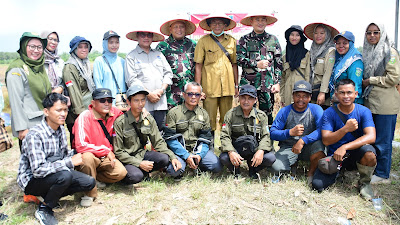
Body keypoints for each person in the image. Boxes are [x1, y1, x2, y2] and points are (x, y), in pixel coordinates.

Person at [17, 93, 95, 225]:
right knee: (65, 176)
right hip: (33, 180)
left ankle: (47, 195)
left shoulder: (60, 129)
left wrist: (79, 152)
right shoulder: (35, 135)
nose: (63, 114)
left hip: (54, 173)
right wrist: (70, 162)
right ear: (46, 111)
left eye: (65, 110)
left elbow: (63, 156)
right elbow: (38, 170)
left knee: (88, 182)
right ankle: (45, 209)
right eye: (59, 110)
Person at [6, 32, 53, 204]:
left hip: (42, 121)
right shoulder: (16, 69)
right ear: (24, 47)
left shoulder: (38, 67)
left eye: (39, 47)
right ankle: (29, 192)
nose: (36, 50)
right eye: (31, 46)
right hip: (28, 124)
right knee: (30, 161)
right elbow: (16, 101)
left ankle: (43, 188)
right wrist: (21, 128)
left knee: (42, 159)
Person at [312, 79, 377, 200]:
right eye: (342, 93)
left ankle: (364, 182)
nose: (346, 96)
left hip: (356, 153)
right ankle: (338, 172)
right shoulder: (329, 113)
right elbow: (326, 140)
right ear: (336, 94)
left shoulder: (364, 111)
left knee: (369, 153)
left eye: (349, 92)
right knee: (317, 186)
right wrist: (345, 129)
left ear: (356, 94)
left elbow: (371, 136)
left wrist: (345, 147)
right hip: (336, 156)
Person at [113, 84, 182, 184]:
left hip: (141, 154)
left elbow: (158, 142)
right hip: (127, 159)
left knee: (164, 159)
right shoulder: (120, 122)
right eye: (136, 100)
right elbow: (118, 152)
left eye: (143, 100)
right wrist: (139, 163)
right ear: (128, 102)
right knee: (136, 176)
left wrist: (173, 157)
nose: (140, 104)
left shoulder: (148, 119)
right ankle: (133, 173)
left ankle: (142, 170)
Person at [72, 88, 127, 207]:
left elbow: (127, 112)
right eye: (102, 100)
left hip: (105, 159)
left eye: (109, 100)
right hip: (91, 156)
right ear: (93, 103)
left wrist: (142, 110)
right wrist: (106, 150)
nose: (106, 103)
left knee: (121, 173)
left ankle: (96, 178)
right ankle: (89, 193)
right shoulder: (84, 117)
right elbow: (81, 145)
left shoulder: (114, 112)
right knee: (86, 158)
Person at [362, 23, 400, 184]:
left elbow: (394, 78)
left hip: (385, 104)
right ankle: (373, 169)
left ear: (382, 34)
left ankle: (383, 174)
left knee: (383, 141)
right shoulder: (367, 53)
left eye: (376, 32)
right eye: (369, 33)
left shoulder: (389, 52)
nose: (372, 36)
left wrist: (371, 80)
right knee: (371, 138)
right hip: (370, 103)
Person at [270, 80, 325, 184]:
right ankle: (292, 165)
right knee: (276, 167)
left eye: (305, 96)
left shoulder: (316, 109)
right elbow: (273, 133)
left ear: (310, 97)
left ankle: (311, 173)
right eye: (298, 95)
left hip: (309, 146)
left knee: (319, 148)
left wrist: (303, 140)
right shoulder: (285, 111)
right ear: (293, 96)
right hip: (289, 147)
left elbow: (322, 130)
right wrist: (289, 132)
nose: (301, 99)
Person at [164, 82, 222, 176]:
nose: (193, 97)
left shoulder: (204, 114)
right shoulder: (173, 113)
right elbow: (170, 139)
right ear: (183, 95)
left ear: (200, 96)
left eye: (197, 94)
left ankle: (198, 164)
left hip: (197, 150)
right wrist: (186, 156)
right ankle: (185, 163)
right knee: (174, 171)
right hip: (180, 151)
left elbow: (206, 139)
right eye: (190, 94)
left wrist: (199, 155)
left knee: (216, 166)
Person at [219, 84, 276, 178]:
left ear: (255, 100)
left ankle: (254, 169)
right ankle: (235, 169)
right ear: (239, 98)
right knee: (224, 158)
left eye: (250, 98)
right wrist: (231, 152)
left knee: (270, 158)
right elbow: (225, 135)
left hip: (254, 149)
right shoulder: (230, 115)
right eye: (243, 98)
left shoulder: (261, 116)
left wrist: (261, 151)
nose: (246, 101)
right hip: (237, 149)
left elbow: (266, 136)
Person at [194, 13, 238, 133]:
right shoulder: (203, 41)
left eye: (220, 22)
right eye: (214, 22)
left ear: (225, 24)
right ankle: (209, 146)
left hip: (228, 87)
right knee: (209, 119)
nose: (217, 25)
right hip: (209, 87)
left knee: (227, 118)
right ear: (209, 25)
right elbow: (198, 65)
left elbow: (234, 65)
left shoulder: (232, 42)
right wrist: (198, 88)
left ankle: (226, 146)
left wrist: (236, 85)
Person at [237, 13, 282, 124]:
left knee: (267, 116)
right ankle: (247, 140)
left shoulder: (273, 40)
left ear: (266, 22)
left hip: (267, 85)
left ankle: (266, 140)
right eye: (257, 20)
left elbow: (279, 63)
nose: (260, 22)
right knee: (246, 113)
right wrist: (256, 64)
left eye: (263, 20)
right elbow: (239, 59)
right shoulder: (244, 40)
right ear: (251, 22)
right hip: (249, 84)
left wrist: (277, 82)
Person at [125, 29, 172, 130]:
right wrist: (148, 94)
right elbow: (131, 80)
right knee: (145, 132)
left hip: (160, 102)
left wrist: (162, 90)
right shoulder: (131, 56)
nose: (146, 38)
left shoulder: (159, 54)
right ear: (137, 37)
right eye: (143, 35)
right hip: (143, 104)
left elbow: (168, 73)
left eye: (149, 35)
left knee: (160, 132)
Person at [156, 17, 197, 109]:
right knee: (172, 119)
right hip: (171, 92)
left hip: (189, 91)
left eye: (181, 27)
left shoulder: (193, 44)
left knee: (190, 118)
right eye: (175, 27)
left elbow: (199, 67)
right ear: (170, 29)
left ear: (185, 28)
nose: (179, 29)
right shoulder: (162, 46)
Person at [63, 36, 95, 143]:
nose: (84, 49)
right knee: (79, 142)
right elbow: (74, 92)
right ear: (74, 49)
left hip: (88, 109)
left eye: (86, 47)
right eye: (80, 47)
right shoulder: (70, 67)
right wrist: (81, 115)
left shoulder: (85, 64)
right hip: (78, 114)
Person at [304, 22, 338, 108]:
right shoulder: (312, 50)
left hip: (322, 95)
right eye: (316, 33)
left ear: (327, 35)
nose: (318, 35)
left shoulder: (330, 51)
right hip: (311, 92)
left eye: (322, 33)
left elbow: (328, 73)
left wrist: (322, 92)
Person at [93, 30, 127, 110]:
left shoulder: (122, 61)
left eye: (117, 42)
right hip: (107, 102)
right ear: (105, 43)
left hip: (121, 103)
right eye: (111, 42)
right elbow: (98, 84)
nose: (114, 45)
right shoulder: (99, 61)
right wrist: (103, 101)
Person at [328, 31, 364, 104]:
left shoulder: (355, 61)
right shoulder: (339, 59)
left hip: (349, 104)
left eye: (345, 43)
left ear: (350, 44)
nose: (341, 46)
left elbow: (355, 86)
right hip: (339, 102)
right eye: (338, 43)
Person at [280, 25, 310, 106]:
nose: (294, 37)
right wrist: (282, 97)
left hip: (301, 93)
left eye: (297, 35)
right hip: (288, 93)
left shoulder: (307, 55)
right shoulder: (284, 57)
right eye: (292, 34)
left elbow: (308, 76)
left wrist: (307, 95)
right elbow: (283, 79)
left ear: (301, 38)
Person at [41, 31, 65, 95]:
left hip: (58, 100)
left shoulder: (60, 62)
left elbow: (65, 81)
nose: (53, 42)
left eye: (56, 40)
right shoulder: (37, 61)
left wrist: (61, 88)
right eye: (50, 39)